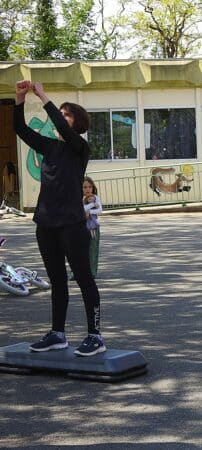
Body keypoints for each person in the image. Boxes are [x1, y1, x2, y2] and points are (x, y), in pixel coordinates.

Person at [13, 80, 106, 356]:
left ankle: (95, 336)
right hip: (46, 224)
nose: (62, 118)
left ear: (78, 123)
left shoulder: (80, 148)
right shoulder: (50, 147)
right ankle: (57, 334)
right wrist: (19, 99)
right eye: (61, 113)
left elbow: (63, 128)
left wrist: (42, 96)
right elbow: (20, 129)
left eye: (67, 114)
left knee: (84, 279)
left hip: (72, 225)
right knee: (57, 281)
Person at [83, 176, 102, 278]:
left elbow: (100, 210)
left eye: (90, 187)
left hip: (93, 227)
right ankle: (76, 272)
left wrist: (89, 211)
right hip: (81, 227)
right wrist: (92, 205)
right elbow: (81, 209)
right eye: (85, 187)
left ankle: (92, 271)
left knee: (93, 249)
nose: (88, 189)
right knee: (80, 250)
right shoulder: (80, 198)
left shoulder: (95, 197)